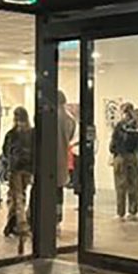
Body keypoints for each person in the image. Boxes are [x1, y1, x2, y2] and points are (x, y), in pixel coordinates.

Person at [2, 106, 36, 240]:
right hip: (28, 168)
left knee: (17, 196)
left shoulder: (12, 133)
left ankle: (20, 224)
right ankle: (13, 222)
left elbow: (6, 151)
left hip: (15, 168)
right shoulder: (32, 133)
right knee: (21, 195)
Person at [110, 102, 138, 218]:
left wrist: (113, 151)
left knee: (120, 185)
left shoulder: (120, 125)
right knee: (133, 183)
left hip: (121, 157)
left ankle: (120, 212)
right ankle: (133, 210)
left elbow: (114, 142)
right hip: (133, 156)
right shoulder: (137, 125)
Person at [57, 91, 77, 226]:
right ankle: (58, 218)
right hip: (62, 160)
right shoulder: (70, 119)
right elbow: (69, 137)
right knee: (59, 192)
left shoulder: (49, 116)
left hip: (49, 161)